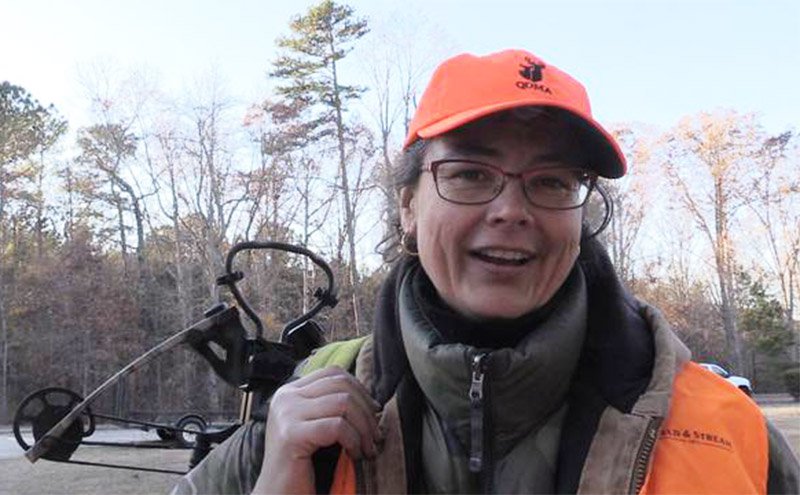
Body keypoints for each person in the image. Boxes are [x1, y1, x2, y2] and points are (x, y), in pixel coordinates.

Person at [172, 49, 800, 494]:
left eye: (551, 182)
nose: (511, 210)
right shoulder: (301, 417)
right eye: (470, 173)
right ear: (408, 205)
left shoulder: (726, 432)